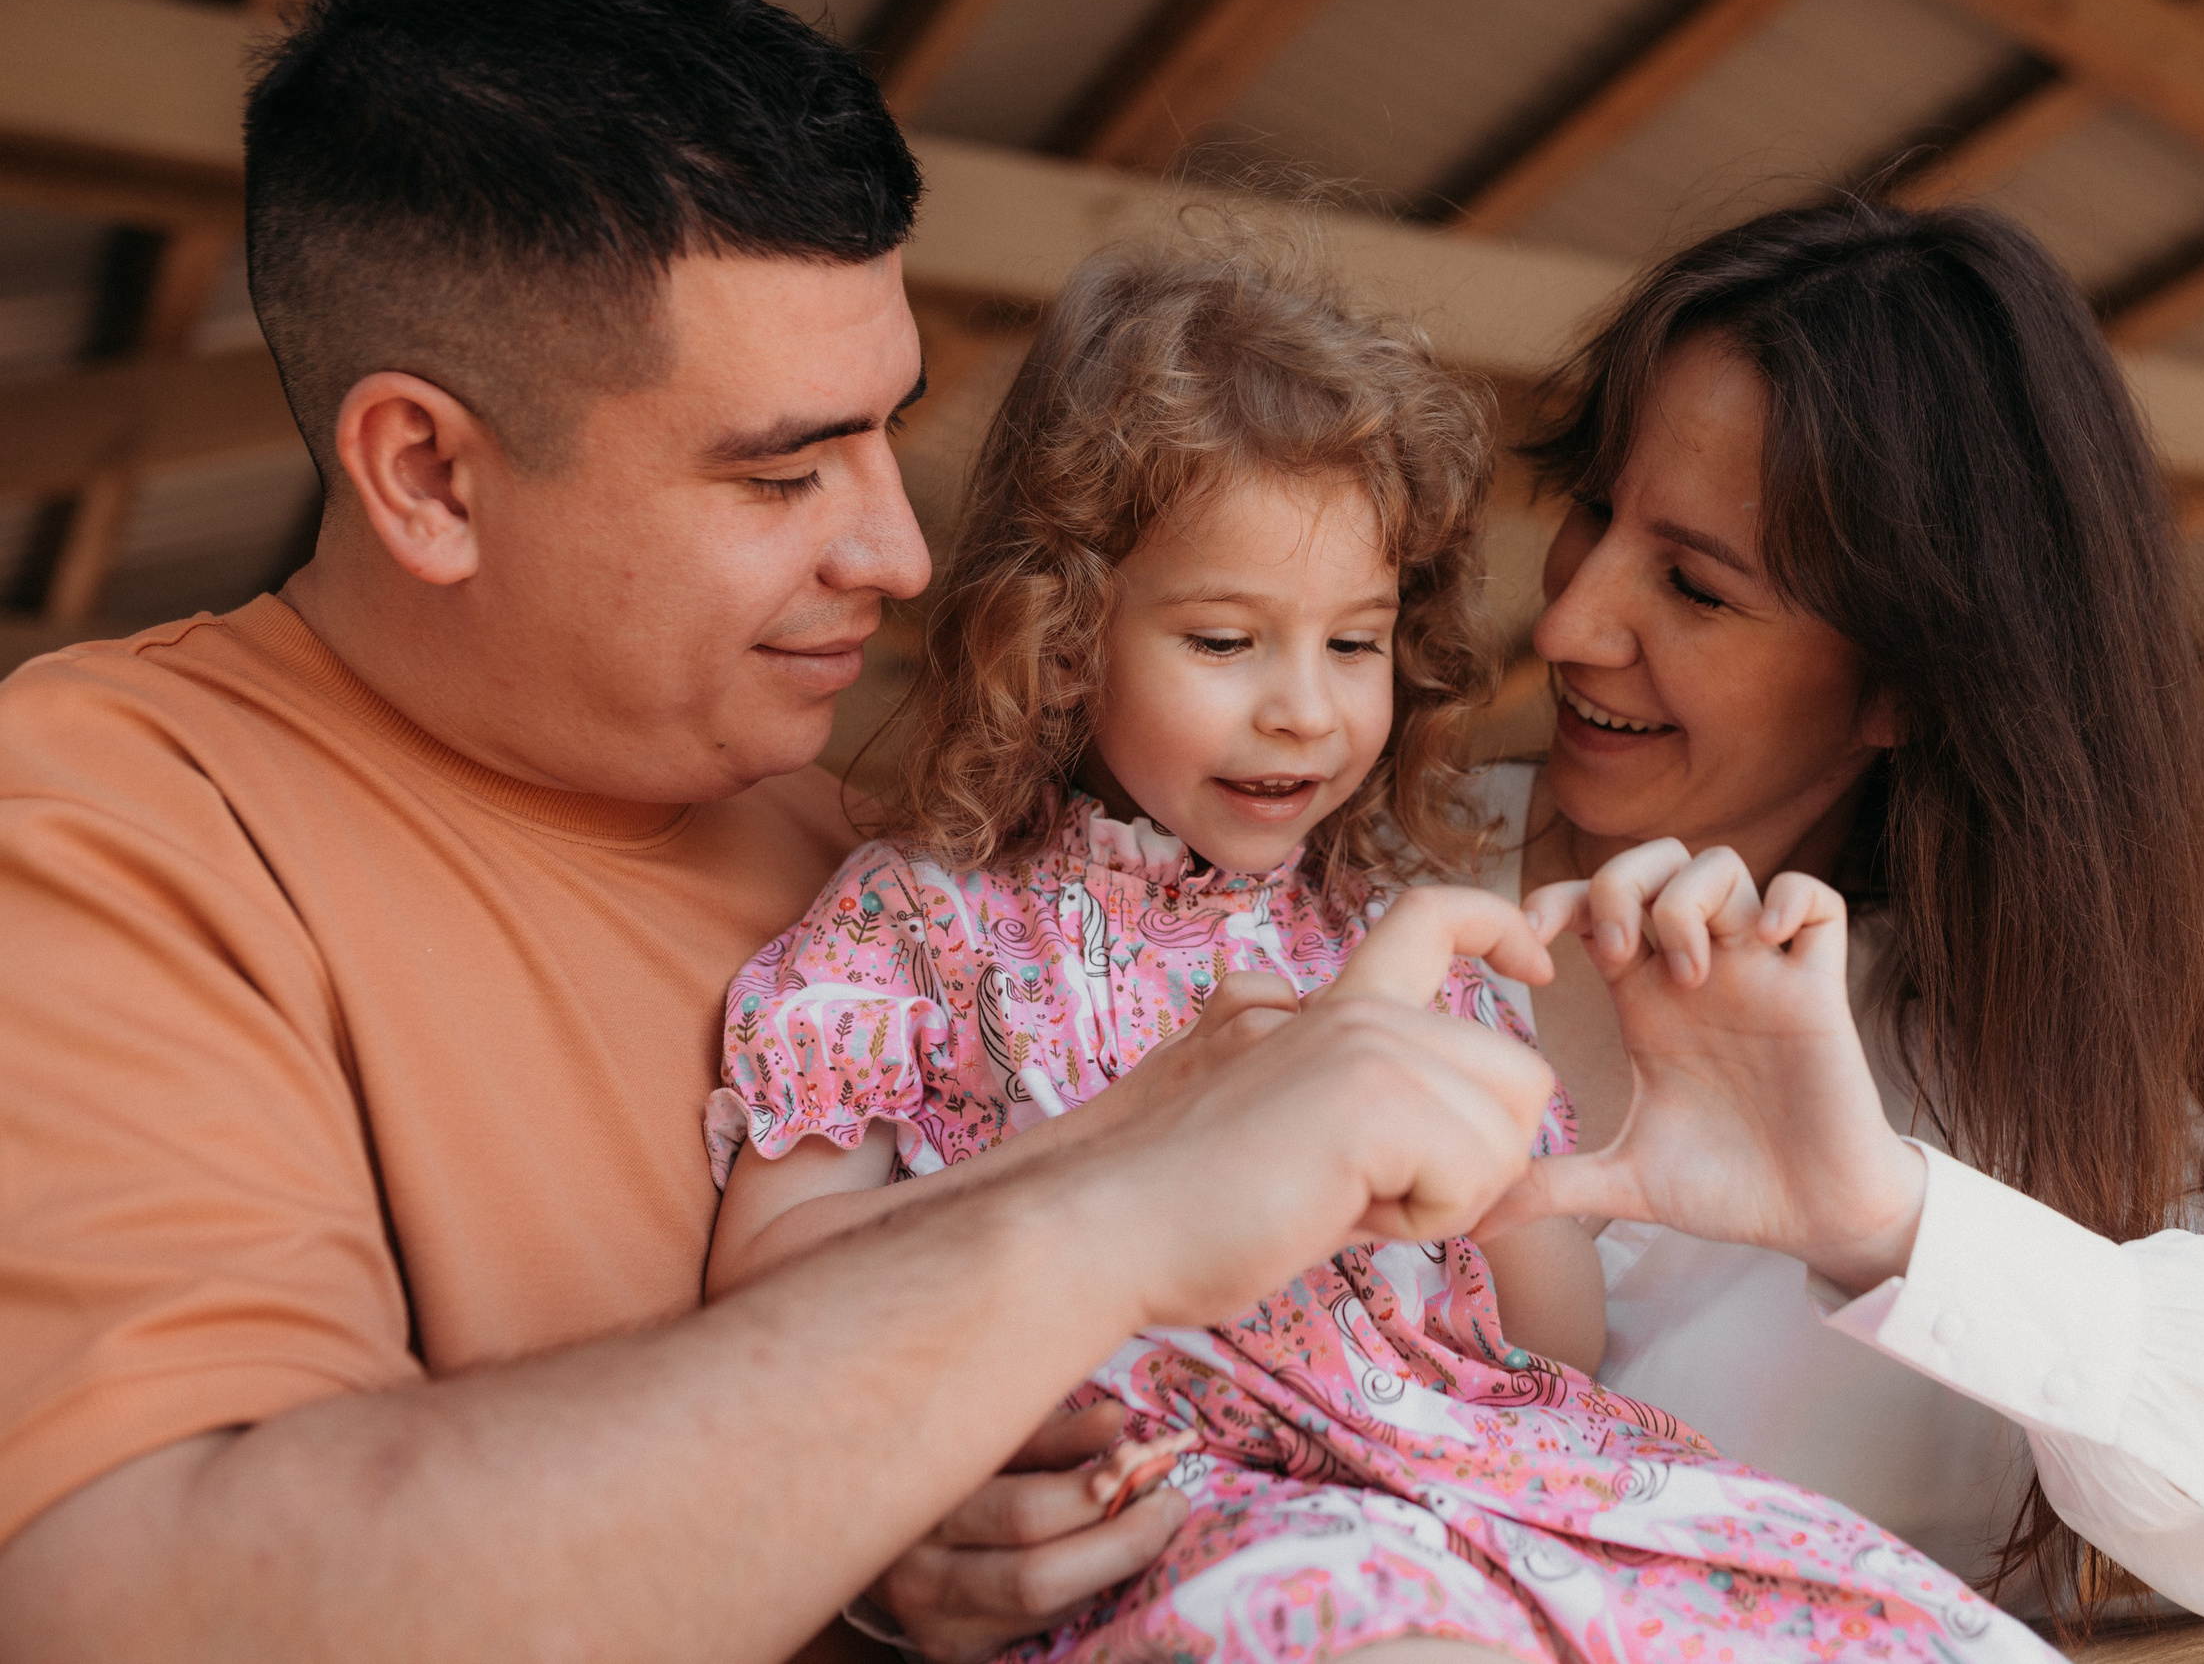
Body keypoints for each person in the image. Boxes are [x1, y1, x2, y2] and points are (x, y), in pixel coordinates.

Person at [0, 0, 1566, 1659]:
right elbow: (159, 1610)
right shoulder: (111, 817)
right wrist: (1105, 1208)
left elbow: (852, 1443)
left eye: (889, 437)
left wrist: (884, 1528)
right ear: (430, 476)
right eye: (776, 470)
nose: (897, 555)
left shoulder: (893, 853)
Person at [867, 202, 2204, 1664]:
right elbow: (924, 1288)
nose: (1565, 621)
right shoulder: (1293, 873)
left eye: (1698, 587)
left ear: (1913, 680)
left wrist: (1888, 1220)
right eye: (1593, 513)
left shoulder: (2013, 1080)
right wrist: (905, 1547)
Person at [702, 242, 2064, 1664]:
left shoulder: (1385, 927)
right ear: (1063, 634)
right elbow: (765, 1293)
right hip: (1195, 1500)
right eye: (1228, 639)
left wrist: (1504, 1177)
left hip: (1499, 1478)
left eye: (1354, 643)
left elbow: (1551, 1347)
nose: (1306, 710)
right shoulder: (922, 923)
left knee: (1886, 1616)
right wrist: (1127, 1148)